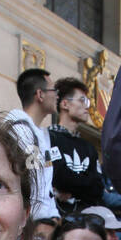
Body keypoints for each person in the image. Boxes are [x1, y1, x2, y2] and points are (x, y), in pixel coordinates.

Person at [6, 68, 60, 240]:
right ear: (40, 94)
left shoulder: (40, 133)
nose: (57, 96)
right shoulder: (21, 129)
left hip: (43, 221)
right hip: (32, 225)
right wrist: (43, 217)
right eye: (54, 91)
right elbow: (31, 181)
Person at [49, 77, 103, 215]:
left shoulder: (89, 148)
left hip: (83, 219)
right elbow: (59, 176)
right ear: (65, 104)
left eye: (88, 101)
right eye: (82, 100)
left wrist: (70, 188)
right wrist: (85, 183)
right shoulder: (48, 138)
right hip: (56, 218)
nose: (87, 106)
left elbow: (98, 188)